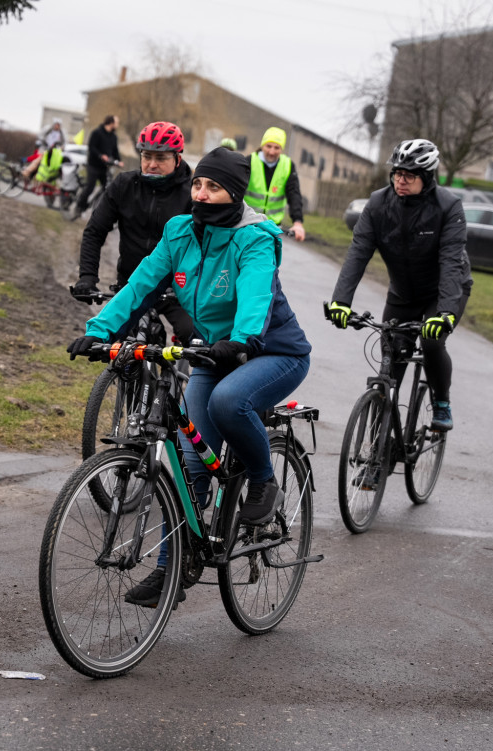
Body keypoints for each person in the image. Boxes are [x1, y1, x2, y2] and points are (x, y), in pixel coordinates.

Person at [68, 146, 312, 606]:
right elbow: (141, 285)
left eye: (213, 187)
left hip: (272, 351)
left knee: (227, 403)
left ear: (234, 193)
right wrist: (98, 332)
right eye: (198, 184)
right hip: (213, 352)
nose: (201, 193)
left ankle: (262, 478)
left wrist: (240, 339)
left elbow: (256, 294)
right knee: (190, 461)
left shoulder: (255, 237)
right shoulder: (180, 231)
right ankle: (170, 570)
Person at [326, 138, 472, 432]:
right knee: (391, 361)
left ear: (427, 177)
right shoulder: (379, 203)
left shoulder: (448, 207)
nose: (400, 180)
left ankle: (441, 401)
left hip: (442, 291)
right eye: (396, 173)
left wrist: (444, 314)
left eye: (409, 175)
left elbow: (450, 263)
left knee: (431, 342)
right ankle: (381, 441)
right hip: (403, 293)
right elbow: (358, 253)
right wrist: (340, 301)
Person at [71, 121, 195, 344]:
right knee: (121, 350)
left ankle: (189, 376)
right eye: (146, 156)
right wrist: (87, 277)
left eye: (161, 158)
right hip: (132, 285)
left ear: (177, 159)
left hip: (176, 289)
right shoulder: (124, 185)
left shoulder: (193, 193)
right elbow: (95, 231)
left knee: (194, 337)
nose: (151, 164)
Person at [244, 126, 305, 242]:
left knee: (267, 259)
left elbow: (294, 194)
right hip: (248, 223)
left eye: (276, 147)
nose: (272, 152)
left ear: (281, 149)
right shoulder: (249, 161)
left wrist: (298, 222)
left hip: (272, 227)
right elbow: (237, 189)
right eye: (268, 146)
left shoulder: (287, 165)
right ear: (262, 145)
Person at [73, 114, 123, 216]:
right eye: (116, 122)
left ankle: (98, 208)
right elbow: (92, 147)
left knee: (107, 188)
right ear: (111, 123)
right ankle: (79, 206)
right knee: (90, 187)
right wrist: (101, 155)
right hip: (93, 165)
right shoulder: (97, 133)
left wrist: (119, 161)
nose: (118, 125)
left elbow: (115, 151)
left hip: (104, 168)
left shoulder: (114, 137)